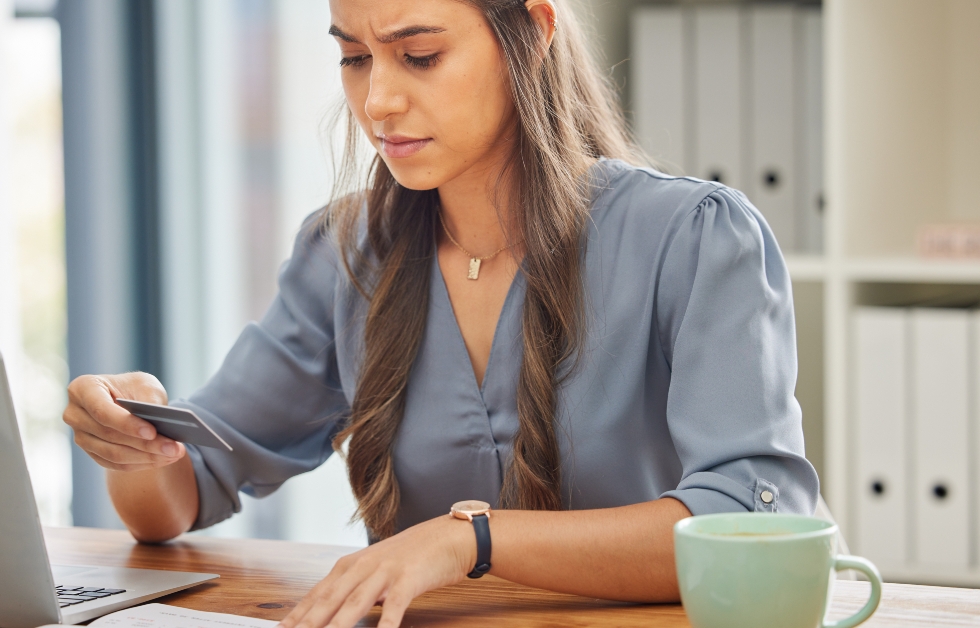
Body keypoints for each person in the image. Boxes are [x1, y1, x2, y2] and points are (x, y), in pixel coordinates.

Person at [63, 0, 820, 626]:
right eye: (354, 57)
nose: (377, 101)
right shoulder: (346, 252)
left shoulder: (692, 237)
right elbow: (180, 497)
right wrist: (136, 436)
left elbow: (747, 523)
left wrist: (471, 540)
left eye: (418, 55)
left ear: (535, 30)